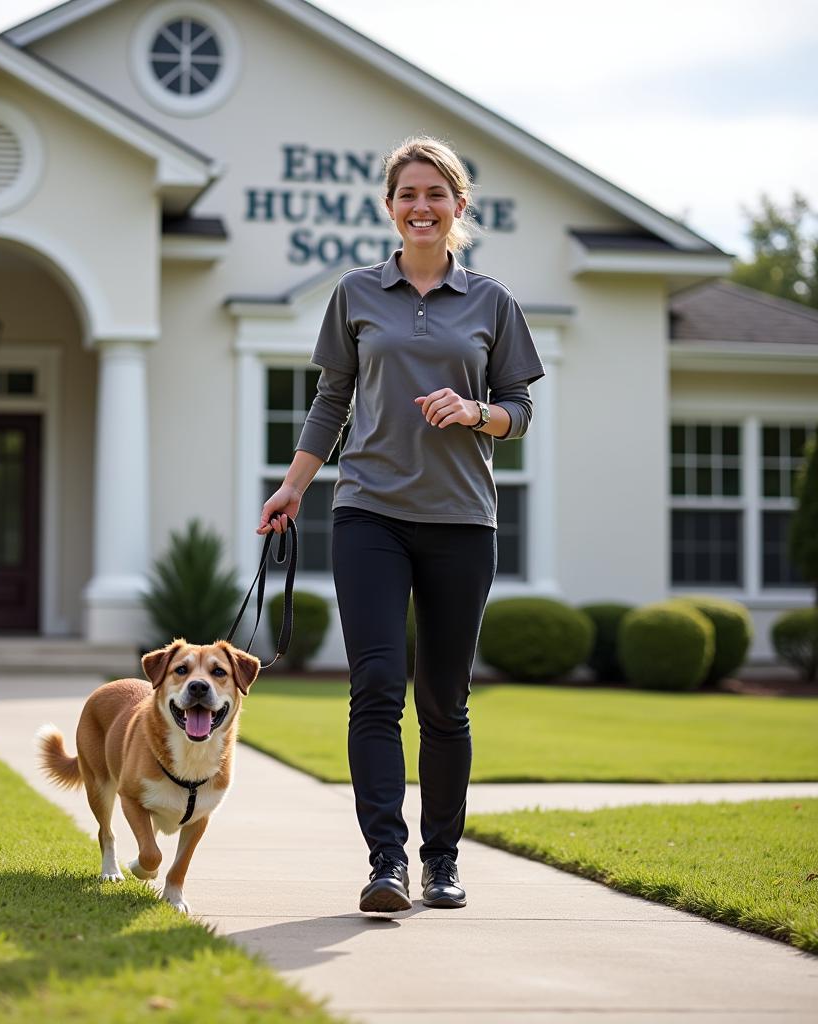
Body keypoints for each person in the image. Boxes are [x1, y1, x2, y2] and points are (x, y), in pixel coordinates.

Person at [257, 136, 544, 913]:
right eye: (408, 195)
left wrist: (476, 410)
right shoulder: (356, 293)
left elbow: (521, 410)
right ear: (390, 207)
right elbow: (332, 401)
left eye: (436, 194)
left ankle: (442, 861)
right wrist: (294, 487)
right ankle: (386, 862)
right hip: (369, 512)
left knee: (445, 701)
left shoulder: (492, 302)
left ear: (458, 207)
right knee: (375, 687)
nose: (422, 207)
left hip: (461, 521)